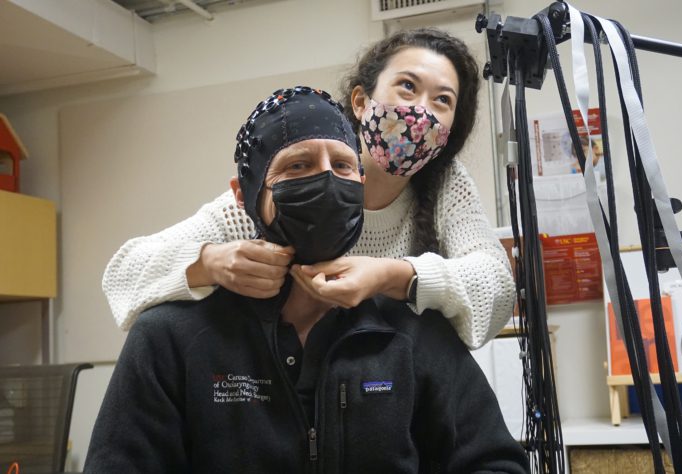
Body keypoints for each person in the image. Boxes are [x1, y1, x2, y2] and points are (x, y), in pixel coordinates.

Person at [84, 90, 530, 473]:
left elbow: (495, 462)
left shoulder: (411, 332)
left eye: (341, 165)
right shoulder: (170, 339)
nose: (324, 180)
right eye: (297, 166)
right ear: (246, 195)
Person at [101, 28, 515, 349]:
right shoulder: (276, 193)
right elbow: (124, 274)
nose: (420, 110)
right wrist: (209, 262)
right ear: (360, 102)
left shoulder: (445, 185)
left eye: (442, 100)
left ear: (451, 128)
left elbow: (495, 288)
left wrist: (391, 276)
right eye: (407, 86)